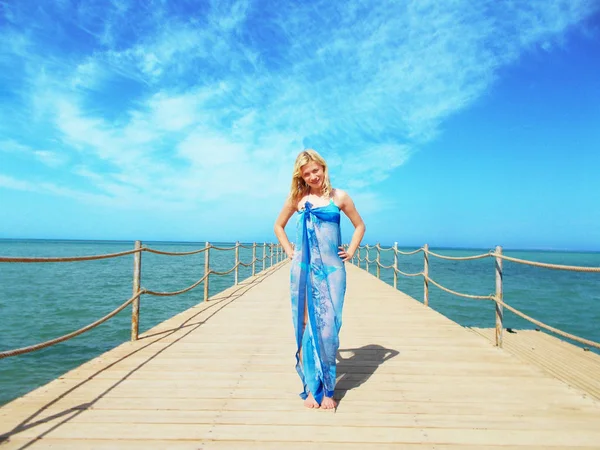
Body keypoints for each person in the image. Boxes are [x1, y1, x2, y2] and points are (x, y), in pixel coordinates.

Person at [274, 149, 366, 409]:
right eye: (307, 173)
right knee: (306, 325)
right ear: (301, 176)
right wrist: (291, 251)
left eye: (316, 170)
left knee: (328, 329)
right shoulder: (298, 198)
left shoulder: (340, 197)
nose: (313, 176)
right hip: (303, 270)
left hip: (333, 270)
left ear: (323, 168)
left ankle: (328, 388)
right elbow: (278, 226)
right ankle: (311, 388)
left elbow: (360, 225)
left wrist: (350, 251)